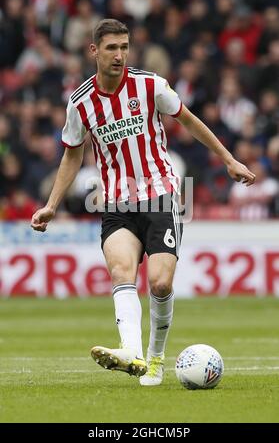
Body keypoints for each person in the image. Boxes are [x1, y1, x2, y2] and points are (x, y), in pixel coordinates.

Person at [31, 19, 256, 386]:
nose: (119, 55)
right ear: (94, 51)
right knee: (122, 273)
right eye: (111, 48)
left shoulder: (150, 85)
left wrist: (228, 159)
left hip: (161, 195)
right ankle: (131, 352)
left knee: (160, 284)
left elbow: (188, 119)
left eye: (124, 47)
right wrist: (52, 204)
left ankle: (155, 358)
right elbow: (72, 155)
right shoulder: (80, 103)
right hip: (117, 202)